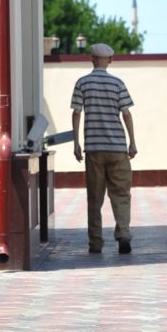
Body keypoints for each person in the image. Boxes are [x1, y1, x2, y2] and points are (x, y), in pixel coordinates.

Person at [70, 42, 137, 254]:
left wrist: (76, 143)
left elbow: (76, 112)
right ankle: (124, 234)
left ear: (91, 59)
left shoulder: (82, 83)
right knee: (121, 194)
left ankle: (95, 242)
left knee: (95, 198)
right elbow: (126, 113)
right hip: (117, 148)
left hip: (94, 149)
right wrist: (132, 142)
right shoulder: (118, 83)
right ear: (110, 60)